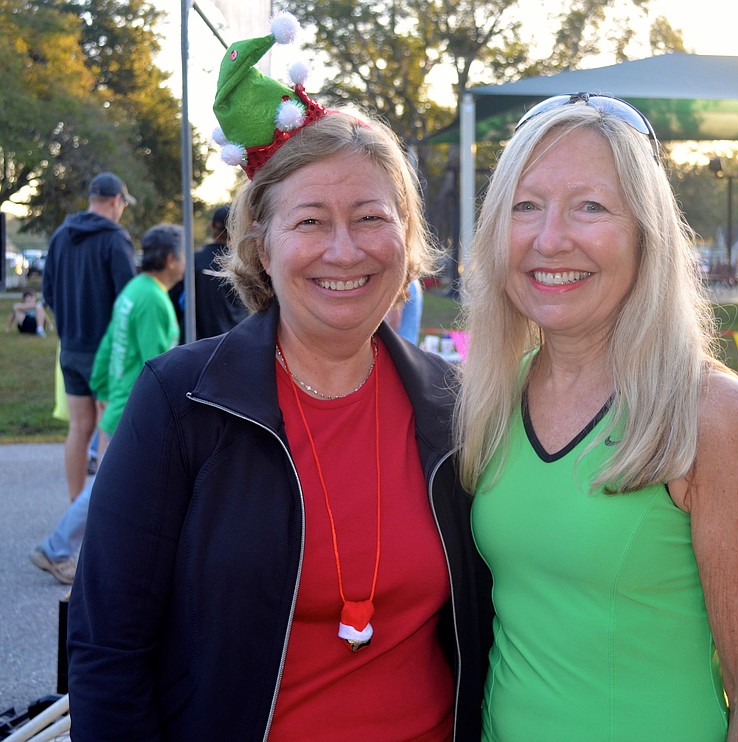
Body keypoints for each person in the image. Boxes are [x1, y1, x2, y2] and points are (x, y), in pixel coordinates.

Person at [68, 15, 490, 741]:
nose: (344, 249)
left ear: (407, 240)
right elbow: (108, 650)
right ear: (261, 245)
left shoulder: (454, 410)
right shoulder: (181, 402)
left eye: (370, 217)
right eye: (310, 222)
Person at [454, 93, 738, 740]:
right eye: (526, 206)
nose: (551, 238)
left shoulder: (710, 414)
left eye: (591, 206)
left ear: (647, 233)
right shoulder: (489, 395)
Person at [29, 224, 185, 585]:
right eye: (182, 254)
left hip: (119, 404)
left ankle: (117, 560)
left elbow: (107, 348)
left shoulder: (133, 290)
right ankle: (56, 549)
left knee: (117, 489)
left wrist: (102, 391)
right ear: (171, 258)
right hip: (134, 410)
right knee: (106, 489)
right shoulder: (153, 299)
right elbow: (158, 365)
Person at [42, 171, 137, 503]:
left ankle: (74, 507)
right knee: (107, 429)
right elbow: (129, 298)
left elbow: (48, 293)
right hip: (107, 351)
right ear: (116, 201)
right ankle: (99, 513)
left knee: (78, 429)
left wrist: (68, 324)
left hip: (69, 348)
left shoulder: (60, 236)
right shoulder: (115, 239)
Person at [194, 203, 250, 338]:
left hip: (199, 342)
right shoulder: (244, 264)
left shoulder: (194, 262)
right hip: (235, 339)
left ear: (211, 226)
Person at [385, 278, 423, 344]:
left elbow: (392, 323)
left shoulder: (401, 280)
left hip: (398, 346)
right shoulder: (413, 281)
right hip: (408, 345)